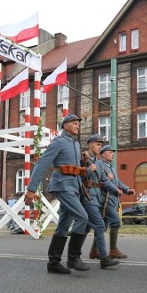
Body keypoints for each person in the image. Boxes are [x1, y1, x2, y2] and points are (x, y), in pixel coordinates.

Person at [23, 114, 90, 274]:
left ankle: (54, 262)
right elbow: (41, 164)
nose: (77, 126)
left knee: (64, 224)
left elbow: (74, 167)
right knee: (82, 217)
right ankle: (74, 258)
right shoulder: (59, 142)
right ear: (65, 125)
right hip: (62, 186)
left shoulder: (74, 143)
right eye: (74, 123)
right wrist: (31, 189)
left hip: (73, 186)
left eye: (78, 124)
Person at [90, 144, 135, 260]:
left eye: (113, 152)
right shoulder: (99, 164)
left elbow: (118, 182)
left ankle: (94, 251)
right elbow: (100, 181)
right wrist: (114, 187)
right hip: (104, 200)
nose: (112, 154)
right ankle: (113, 250)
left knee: (103, 226)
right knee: (115, 222)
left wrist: (127, 189)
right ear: (103, 154)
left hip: (113, 199)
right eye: (110, 152)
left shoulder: (112, 168)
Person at [81, 134, 119, 269]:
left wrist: (115, 189)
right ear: (90, 144)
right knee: (99, 225)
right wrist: (87, 170)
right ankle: (104, 258)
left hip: (96, 197)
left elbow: (103, 179)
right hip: (87, 195)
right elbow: (77, 175)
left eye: (101, 145)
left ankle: (75, 254)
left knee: (85, 227)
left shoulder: (97, 162)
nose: (99, 147)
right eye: (98, 144)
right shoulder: (83, 158)